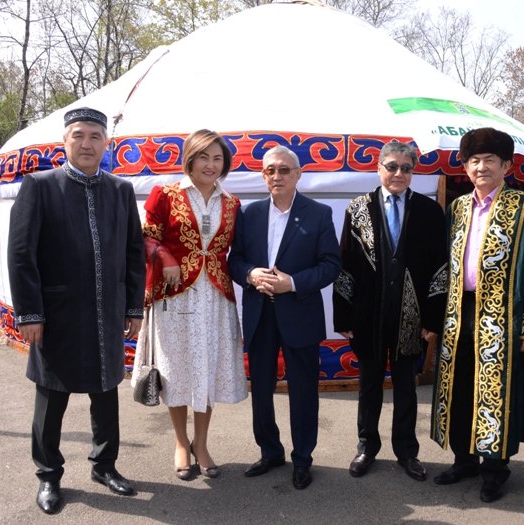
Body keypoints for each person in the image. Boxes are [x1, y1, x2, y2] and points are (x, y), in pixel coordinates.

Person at [8, 107, 145, 514]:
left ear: (106, 143)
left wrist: (133, 306)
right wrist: (30, 313)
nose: (87, 143)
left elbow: (134, 252)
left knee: (106, 391)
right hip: (57, 314)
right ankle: (49, 474)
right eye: (79, 135)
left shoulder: (121, 190)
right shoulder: (40, 186)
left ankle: (104, 465)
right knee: (52, 396)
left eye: (95, 136)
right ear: (64, 141)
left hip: (107, 312)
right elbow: (21, 254)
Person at [430, 127, 524, 503]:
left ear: (506, 166)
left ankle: (495, 470)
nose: (481, 167)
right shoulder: (457, 208)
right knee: (460, 388)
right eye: (474, 161)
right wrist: (434, 317)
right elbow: (442, 266)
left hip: (503, 315)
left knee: (495, 393)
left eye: (489, 160)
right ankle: (463, 460)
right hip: (458, 312)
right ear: (465, 167)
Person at [132, 129, 248, 481]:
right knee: (178, 369)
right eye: (203, 157)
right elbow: (145, 238)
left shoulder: (232, 203)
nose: (210, 165)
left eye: (217, 158)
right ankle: (181, 442)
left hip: (215, 299)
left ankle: (202, 442)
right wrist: (165, 256)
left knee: (207, 368)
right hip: (175, 296)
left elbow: (236, 250)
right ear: (190, 160)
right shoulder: (166, 194)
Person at [228, 145, 341, 490]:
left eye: (283, 170)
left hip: (300, 314)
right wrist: (250, 274)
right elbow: (234, 260)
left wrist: (292, 283)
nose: (276, 176)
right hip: (259, 314)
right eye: (269, 170)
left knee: (303, 393)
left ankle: (302, 459)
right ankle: (270, 451)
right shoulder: (248, 213)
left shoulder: (318, 213)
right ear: (263, 175)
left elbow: (330, 265)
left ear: (297, 174)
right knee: (261, 390)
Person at [333, 142, 446, 482]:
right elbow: (346, 263)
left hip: (412, 316)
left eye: (406, 168)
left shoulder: (429, 210)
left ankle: (407, 451)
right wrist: (343, 316)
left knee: (406, 388)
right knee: (369, 385)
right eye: (392, 166)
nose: (399, 173)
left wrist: (433, 319)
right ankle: (366, 447)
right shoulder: (358, 208)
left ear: (413, 172)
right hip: (368, 313)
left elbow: (440, 268)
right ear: (379, 168)